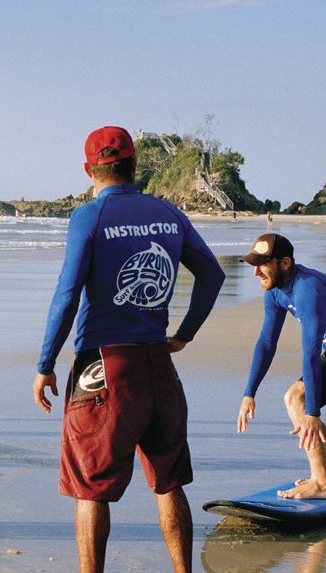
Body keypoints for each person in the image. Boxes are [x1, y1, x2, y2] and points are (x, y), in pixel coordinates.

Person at [33, 126, 224, 573]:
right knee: (169, 482)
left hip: (104, 367)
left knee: (91, 488)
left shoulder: (89, 216)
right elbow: (211, 275)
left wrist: (45, 364)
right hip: (158, 363)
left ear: (88, 170)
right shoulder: (167, 213)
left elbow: (67, 293)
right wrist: (186, 333)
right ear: (135, 166)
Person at [235, 233, 326, 499]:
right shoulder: (275, 290)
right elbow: (267, 343)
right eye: (254, 264)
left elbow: (311, 352)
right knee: (302, 401)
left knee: (296, 398)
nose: (256, 272)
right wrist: (249, 393)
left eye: (262, 264)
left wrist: (312, 412)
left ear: (285, 263)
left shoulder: (308, 290)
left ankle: (323, 484)